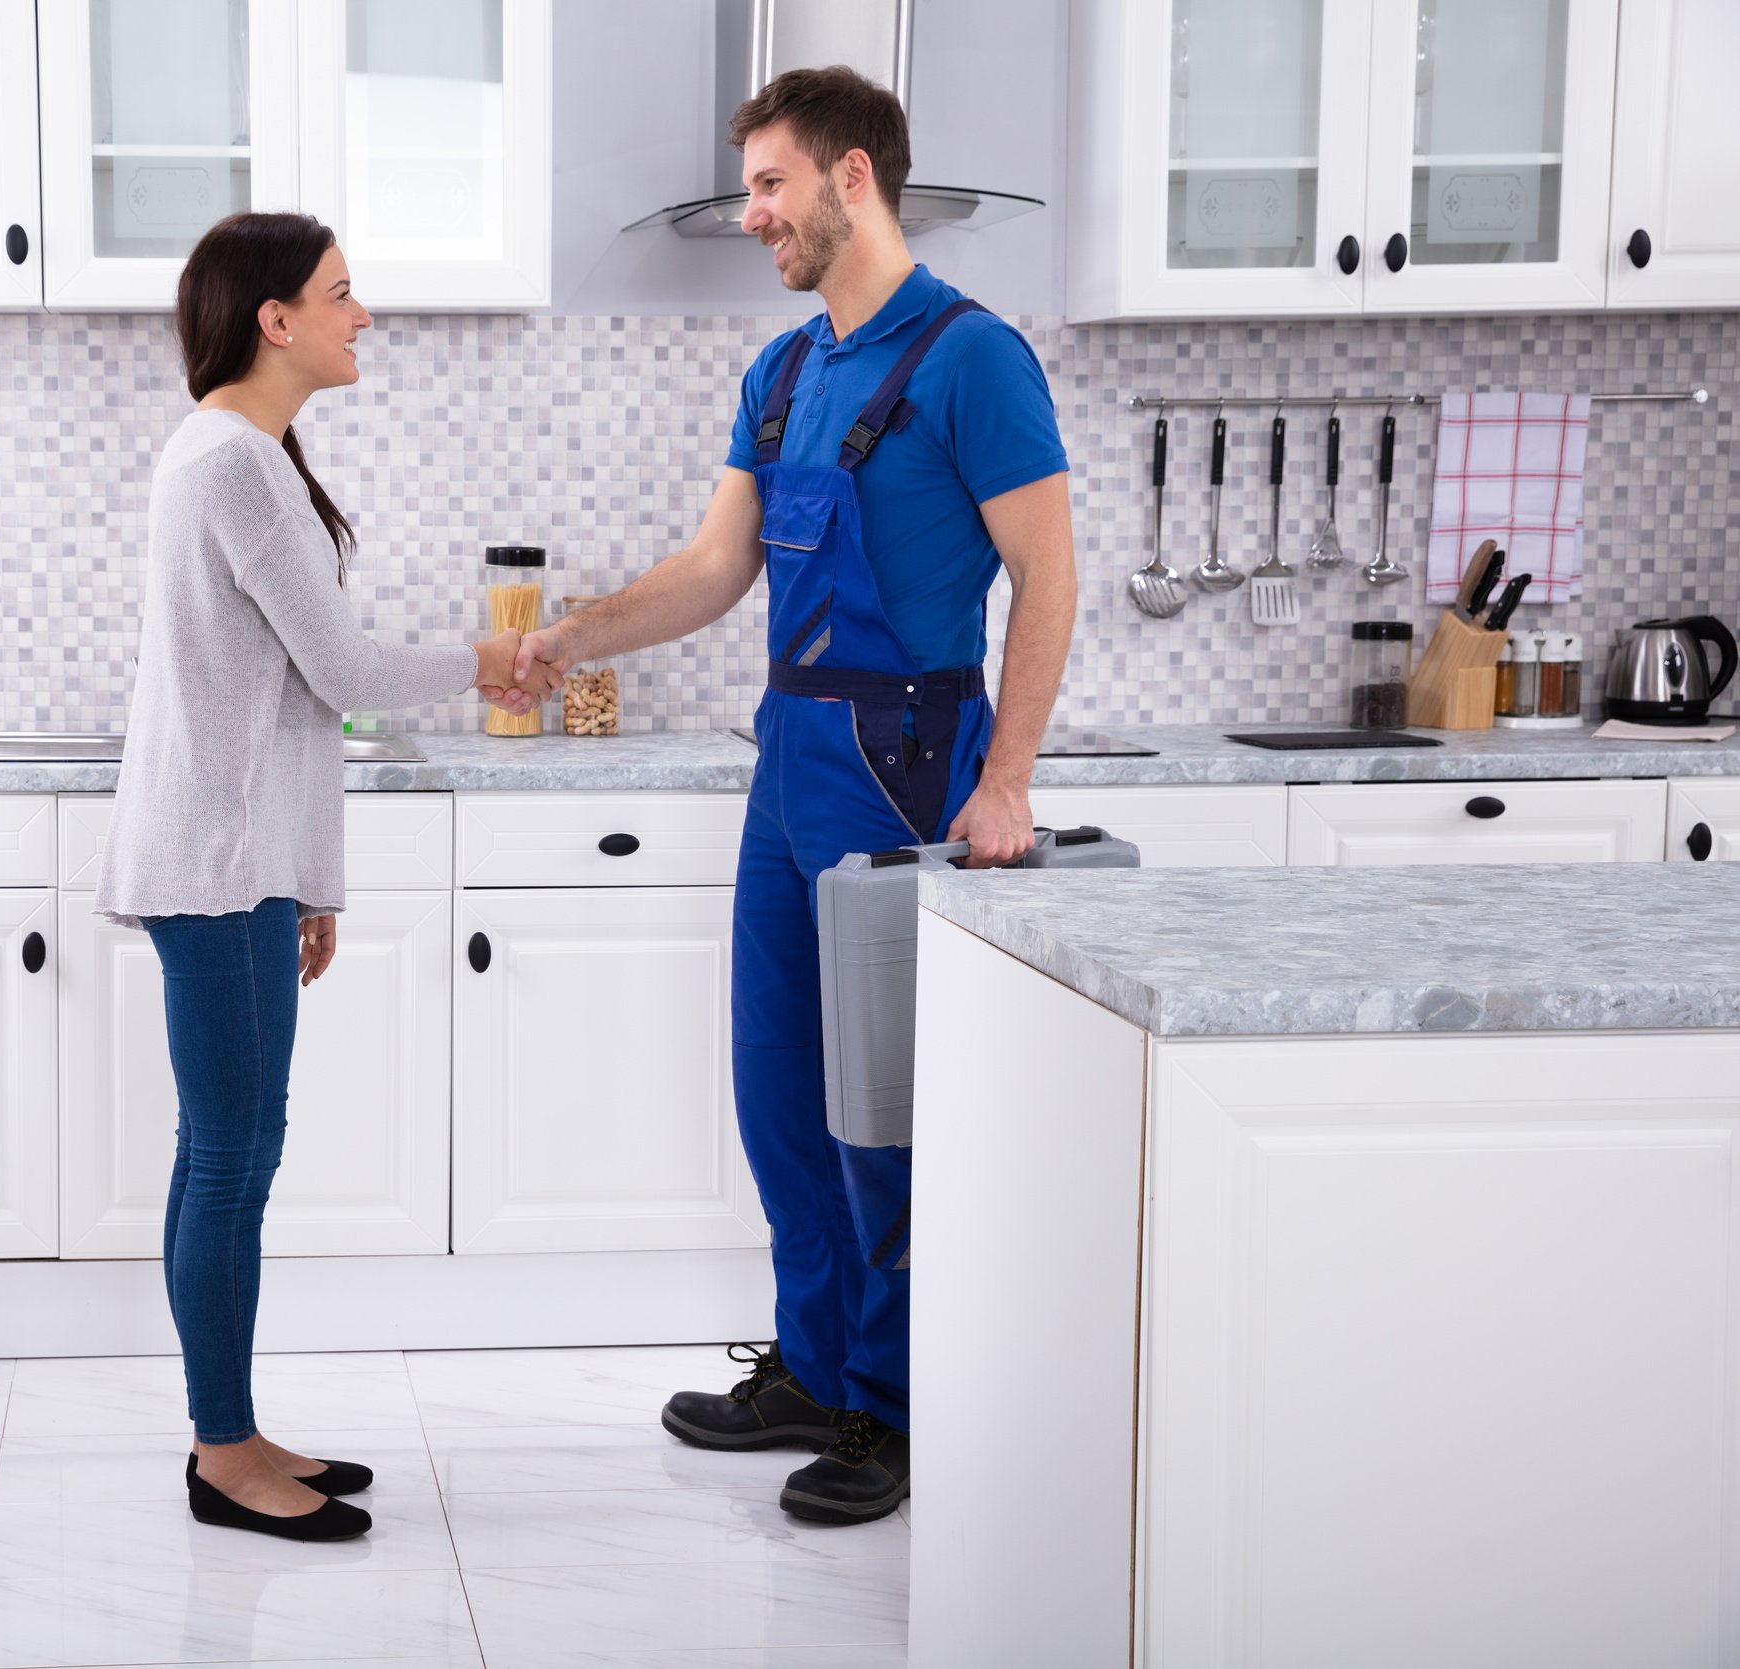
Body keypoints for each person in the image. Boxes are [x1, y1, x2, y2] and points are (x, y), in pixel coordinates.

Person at [500, 67, 1077, 1525]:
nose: (753, 211)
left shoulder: (974, 360)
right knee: (779, 1090)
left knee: (880, 1109)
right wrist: (570, 632)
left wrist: (1006, 780)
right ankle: (816, 1369)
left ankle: (893, 1404)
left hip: (909, 769)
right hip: (793, 762)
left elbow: (1051, 579)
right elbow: (714, 571)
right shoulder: (784, 372)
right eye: (752, 186)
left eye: (769, 183)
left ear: (853, 178)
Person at [94, 212, 553, 1543]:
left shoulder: (243, 458)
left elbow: (279, 704)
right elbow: (344, 679)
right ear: (273, 317)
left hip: (237, 862)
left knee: (229, 1153)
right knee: (232, 1159)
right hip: (218, 866)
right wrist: (494, 658)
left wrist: (312, 879)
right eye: (344, 295)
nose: (366, 318)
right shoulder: (233, 466)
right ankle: (223, 1453)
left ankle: (229, 1429)